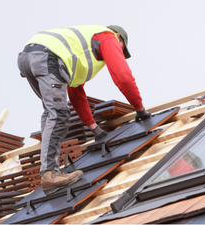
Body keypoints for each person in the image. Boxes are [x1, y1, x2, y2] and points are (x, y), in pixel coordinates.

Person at [17, 25, 151, 194]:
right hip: (47, 56)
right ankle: (50, 174)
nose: (119, 52)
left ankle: (49, 172)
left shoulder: (79, 54)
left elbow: (76, 93)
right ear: (119, 37)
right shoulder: (108, 37)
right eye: (122, 48)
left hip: (29, 57)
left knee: (52, 113)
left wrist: (94, 128)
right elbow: (123, 77)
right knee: (57, 115)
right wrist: (140, 109)